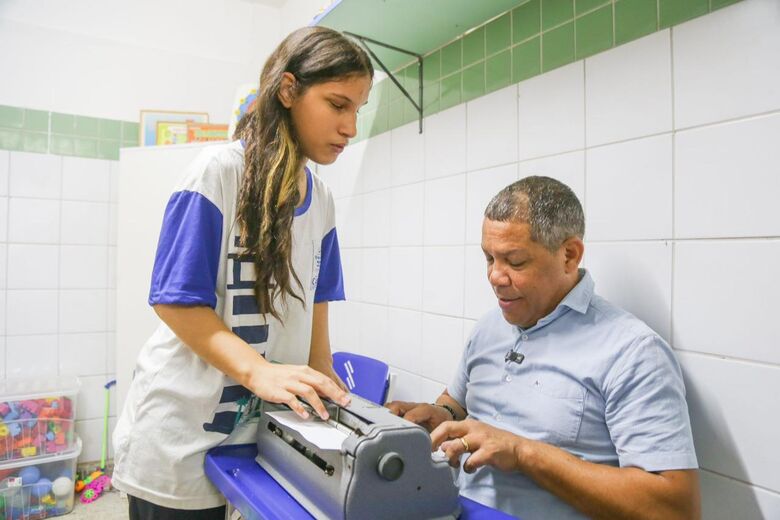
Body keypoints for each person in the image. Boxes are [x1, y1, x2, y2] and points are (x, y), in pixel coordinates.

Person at [112, 27, 373, 519]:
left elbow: (317, 305)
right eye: (338, 105)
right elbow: (175, 301)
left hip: (259, 441)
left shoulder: (322, 201)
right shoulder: (218, 171)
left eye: (358, 110)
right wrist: (259, 372)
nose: (350, 127)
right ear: (289, 90)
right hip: (180, 436)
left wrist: (332, 393)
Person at [388, 176, 701, 520]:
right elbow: (457, 401)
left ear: (569, 255)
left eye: (515, 262)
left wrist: (523, 453)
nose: (495, 277)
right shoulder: (490, 327)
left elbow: (675, 509)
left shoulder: (632, 352)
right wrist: (442, 413)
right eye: (489, 258)